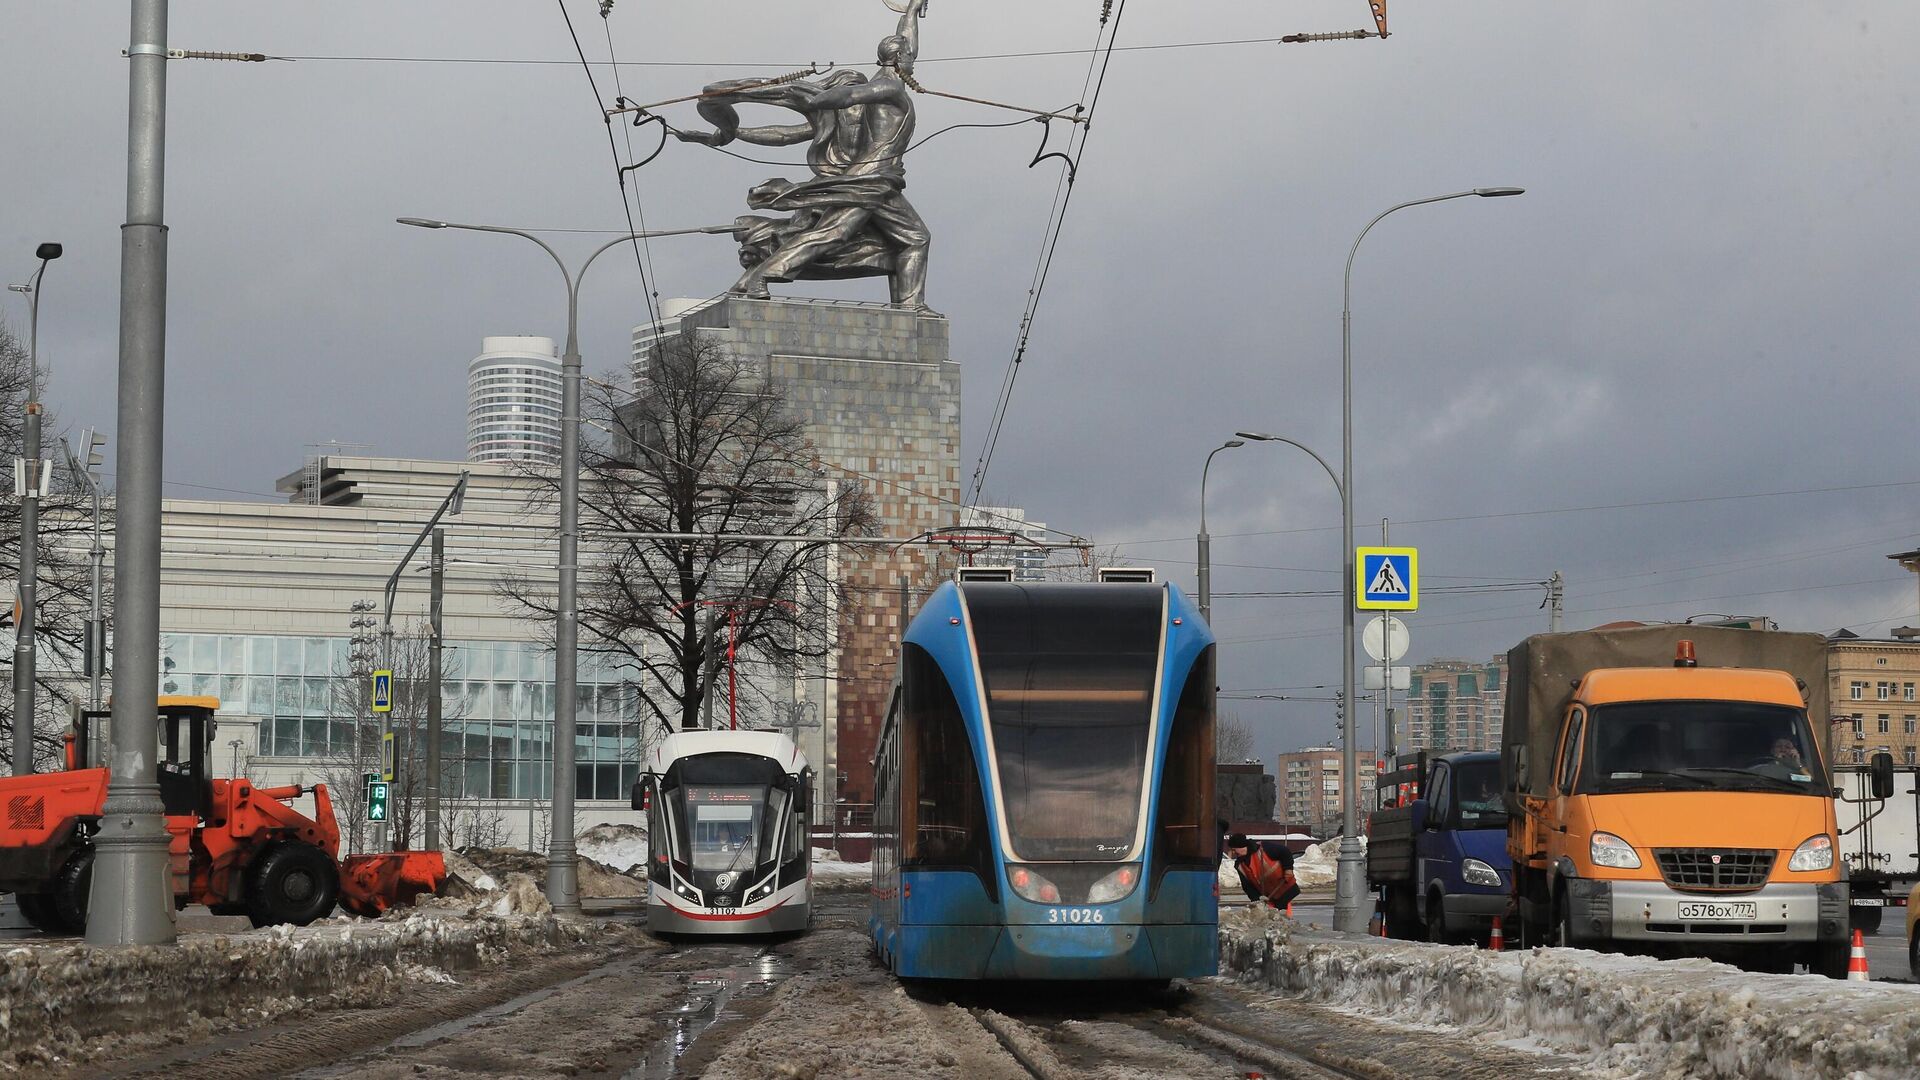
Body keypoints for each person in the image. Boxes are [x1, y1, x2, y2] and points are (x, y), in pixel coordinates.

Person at [1226, 833, 1300, 910]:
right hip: (1270, 897)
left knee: (1284, 916)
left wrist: (1288, 869)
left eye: (1234, 850)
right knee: (1277, 917)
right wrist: (1257, 900)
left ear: (1242, 846)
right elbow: (1247, 886)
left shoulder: (1264, 848)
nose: (1233, 853)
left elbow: (1285, 852)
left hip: (1286, 889)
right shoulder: (1240, 865)